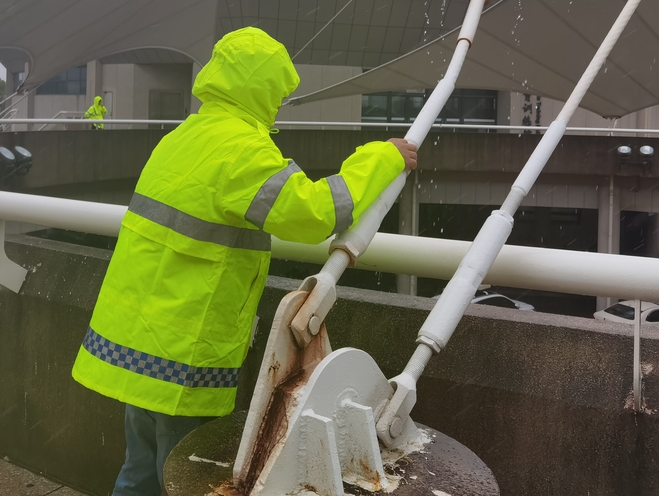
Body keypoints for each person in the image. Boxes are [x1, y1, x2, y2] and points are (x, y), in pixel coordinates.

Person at [71, 27, 417, 496]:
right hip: (182, 354)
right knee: (184, 477)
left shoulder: (183, 136)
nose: (280, 103)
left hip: (137, 343)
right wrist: (382, 157)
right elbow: (316, 213)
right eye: (279, 92)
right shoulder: (242, 150)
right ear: (261, 87)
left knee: (140, 471)